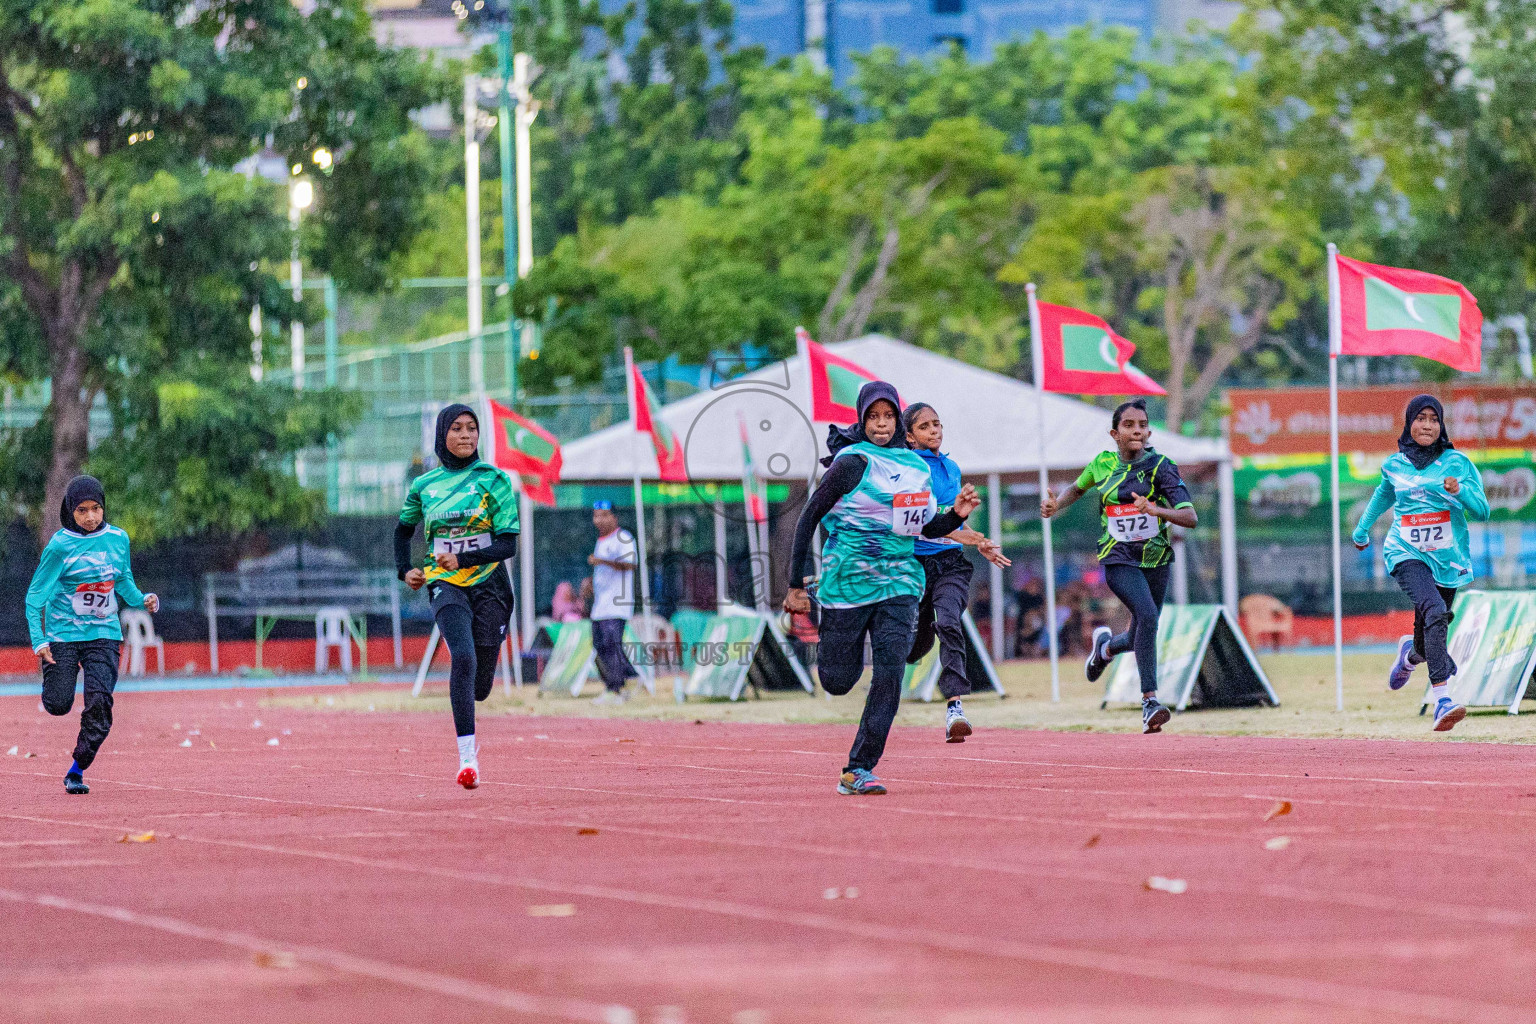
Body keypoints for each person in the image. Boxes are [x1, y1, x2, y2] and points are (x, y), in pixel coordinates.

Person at [785, 382, 978, 795]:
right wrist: (793, 584)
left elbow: (924, 526)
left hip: (899, 582)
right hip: (846, 583)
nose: (881, 424)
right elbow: (809, 517)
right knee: (838, 680)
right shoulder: (851, 463)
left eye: (888, 417)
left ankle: (858, 768)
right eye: (873, 417)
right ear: (862, 419)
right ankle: (835, 624)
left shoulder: (915, 467)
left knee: (890, 675)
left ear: (898, 423)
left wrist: (955, 516)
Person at [1041, 399, 1197, 734]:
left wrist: (1158, 511)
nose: (1136, 430)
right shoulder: (1102, 464)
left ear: (1149, 431)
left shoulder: (1161, 467)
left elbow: (1190, 517)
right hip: (1117, 557)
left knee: (1145, 628)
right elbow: (1077, 488)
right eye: (1129, 425)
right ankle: (1150, 701)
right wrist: (1057, 505)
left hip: (1156, 559)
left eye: (1142, 424)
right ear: (1115, 433)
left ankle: (1107, 647)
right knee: (1148, 617)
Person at [396, 403, 519, 789]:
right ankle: (468, 760)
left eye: (471, 429)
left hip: (490, 585)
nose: (466, 436)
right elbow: (402, 532)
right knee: (461, 657)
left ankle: (480, 684)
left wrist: (462, 556)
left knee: (479, 686)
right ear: (441, 435)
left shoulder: (493, 479)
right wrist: (405, 570)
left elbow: (508, 544)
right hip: (444, 582)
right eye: (457, 429)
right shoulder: (424, 486)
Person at [1353, 394, 1489, 731]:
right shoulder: (1394, 464)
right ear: (1409, 423)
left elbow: (1483, 510)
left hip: (1447, 559)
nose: (1426, 425)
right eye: (1420, 418)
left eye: (1433, 419)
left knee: (1430, 630)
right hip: (1406, 551)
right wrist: (1362, 529)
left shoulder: (1457, 463)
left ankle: (1410, 655)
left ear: (1441, 425)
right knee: (1435, 613)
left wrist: (1459, 492)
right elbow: (1384, 493)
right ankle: (1443, 699)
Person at [27, 476, 160, 795]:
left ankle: (76, 770)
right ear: (70, 511)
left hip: (104, 634)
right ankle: (54, 681)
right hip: (63, 635)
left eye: (96, 509)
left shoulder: (118, 539)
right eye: (82, 510)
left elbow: (124, 582)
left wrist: (142, 599)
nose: (90, 517)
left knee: (100, 705)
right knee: (58, 704)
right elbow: (35, 596)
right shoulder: (59, 546)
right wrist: (39, 639)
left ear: (104, 508)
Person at [901, 401, 1011, 742]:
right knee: (912, 649)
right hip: (914, 565)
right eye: (925, 427)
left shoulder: (952, 468)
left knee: (949, 621)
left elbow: (953, 520)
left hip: (950, 563)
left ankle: (954, 708)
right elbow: (929, 524)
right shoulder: (906, 470)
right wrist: (967, 534)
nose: (935, 430)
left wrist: (979, 540)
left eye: (937, 424)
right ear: (909, 437)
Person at [589, 501, 640, 705]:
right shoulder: (601, 541)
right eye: (596, 515)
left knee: (612, 645)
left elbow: (630, 564)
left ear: (614, 518)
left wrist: (602, 562)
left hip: (617, 604)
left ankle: (615, 688)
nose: (599, 520)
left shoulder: (623, 538)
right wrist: (590, 584)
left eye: (604, 515)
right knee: (599, 645)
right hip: (600, 606)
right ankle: (631, 676)